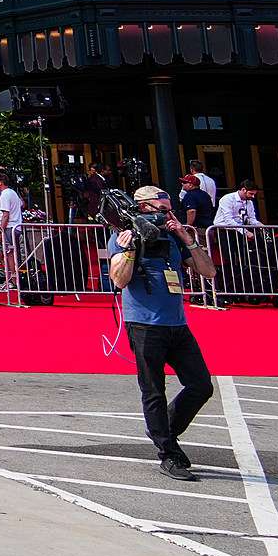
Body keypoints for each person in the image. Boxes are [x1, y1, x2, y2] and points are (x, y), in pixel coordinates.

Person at [107, 183, 219, 479]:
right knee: (154, 389)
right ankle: (168, 453)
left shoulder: (173, 235)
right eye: (164, 208)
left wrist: (186, 237)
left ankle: (164, 430)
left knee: (201, 385)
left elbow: (209, 272)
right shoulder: (123, 236)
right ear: (144, 207)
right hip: (144, 324)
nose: (170, 213)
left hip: (177, 324)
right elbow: (119, 280)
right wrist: (129, 250)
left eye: (171, 208)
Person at [212, 182, 270, 305]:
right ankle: (230, 289)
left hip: (239, 231)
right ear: (243, 189)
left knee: (244, 259)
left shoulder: (249, 202)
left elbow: (251, 218)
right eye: (251, 193)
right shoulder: (227, 199)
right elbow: (228, 220)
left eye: (254, 194)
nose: (252, 197)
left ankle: (244, 288)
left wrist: (260, 225)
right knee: (230, 259)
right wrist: (245, 232)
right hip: (224, 230)